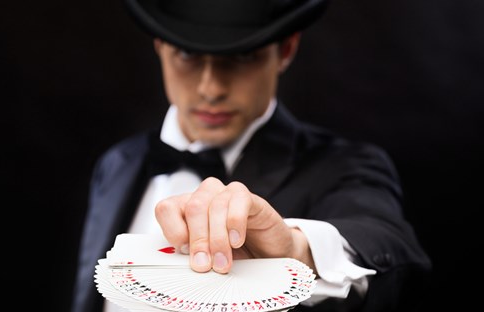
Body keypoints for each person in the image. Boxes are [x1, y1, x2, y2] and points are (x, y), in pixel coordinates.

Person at [71, 1, 432, 312]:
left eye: (242, 56)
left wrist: (296, 250)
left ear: (286, 50)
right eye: (187, 54)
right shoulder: (117, 164)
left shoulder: (347, 166)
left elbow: (391, 252)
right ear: (160, 45)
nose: (211, 88)